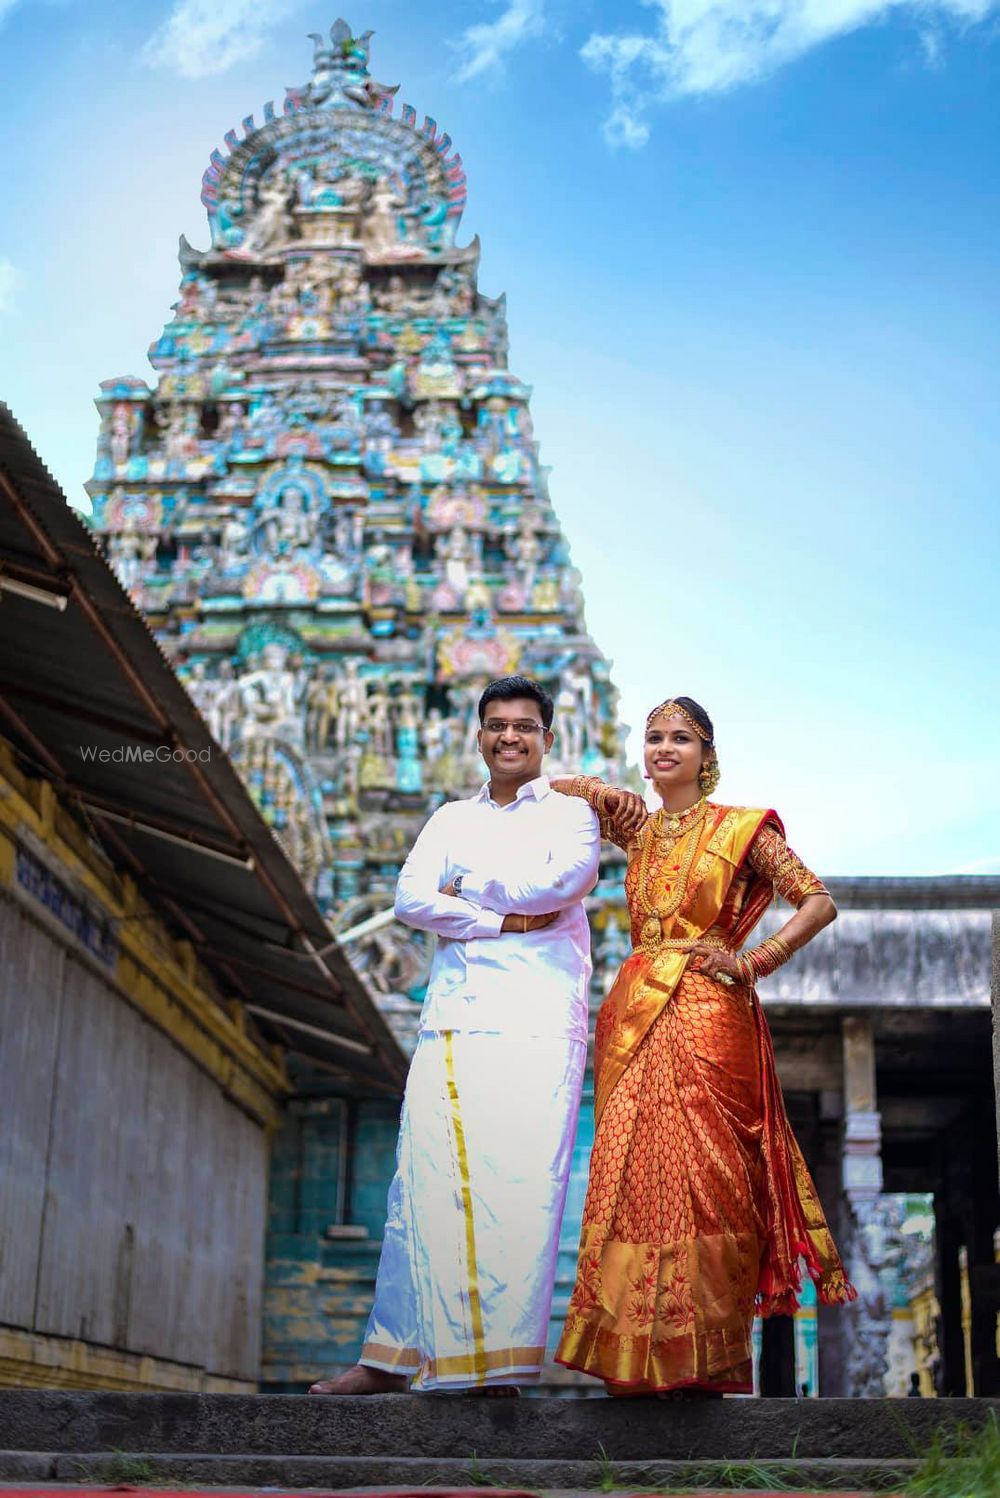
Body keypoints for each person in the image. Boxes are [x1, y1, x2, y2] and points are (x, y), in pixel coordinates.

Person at [550, 696, 855, 1397]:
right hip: (633, 1017)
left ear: (706, 754)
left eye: (680, 738)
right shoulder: (641, 827)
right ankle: (634, 1367)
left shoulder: (740, 829)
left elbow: (816, 900)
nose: (664, 748)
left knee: (713, 1181)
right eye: (653, 737)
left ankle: (708, 1362)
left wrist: (754, 962)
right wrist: (603, 791)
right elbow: (556, 789)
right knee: (629, 1175)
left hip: (711, 1010)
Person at [310, 675, 600, 1395]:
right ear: (478, 736)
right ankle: (390, 1359)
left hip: (537, 1017)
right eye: (497, 725)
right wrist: (497, 917)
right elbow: (411, 897)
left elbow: (561, 883)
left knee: (521, 1185)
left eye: (524, 726)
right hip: (456, 1011)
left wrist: (464, 892)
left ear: (545, 737)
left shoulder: (573, 815)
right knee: (424, 1182)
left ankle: (496, 1366)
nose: (510, 737)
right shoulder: (448, 818)